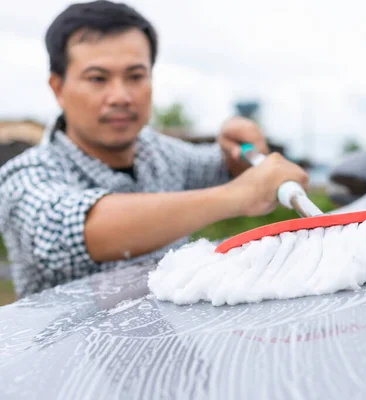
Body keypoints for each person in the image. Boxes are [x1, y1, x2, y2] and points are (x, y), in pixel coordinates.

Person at [0, 0, 309, 299]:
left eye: (135, 76)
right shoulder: (26, 177)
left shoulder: (160, 153)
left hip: (176, 347)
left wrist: (239, 149)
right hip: (73, 351)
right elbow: (74, 231)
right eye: (98, 78)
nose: (120, 96)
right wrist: (239, 195)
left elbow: (228, 167)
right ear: (58, 88)